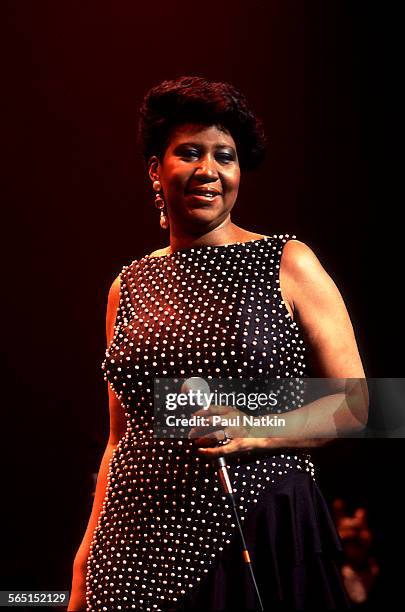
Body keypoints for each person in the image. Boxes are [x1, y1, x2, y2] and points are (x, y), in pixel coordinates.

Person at [68, 76, 367, 611]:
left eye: (224, 156)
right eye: (190, 153)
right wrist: (85, 558)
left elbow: (360, 404)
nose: (209, 171)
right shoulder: (128, 285)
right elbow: (120, 439)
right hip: (136, 545)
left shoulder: (286, 261)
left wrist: (255, 428)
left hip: (254, 524)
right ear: (156, 170)